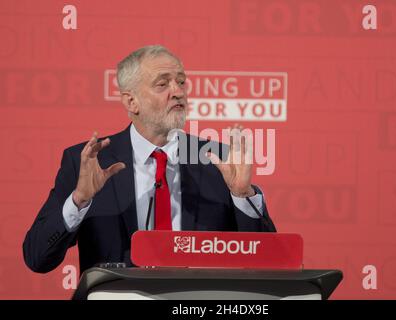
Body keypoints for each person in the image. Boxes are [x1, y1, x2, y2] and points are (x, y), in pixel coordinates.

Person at [23, 45, 276, 274]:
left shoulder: (218, 159)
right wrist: (78, 200)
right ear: (132, 102)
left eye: (181, 82)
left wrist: (242, 194)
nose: (178, 92)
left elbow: (271, 263)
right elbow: (37, 258)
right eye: (162, 84)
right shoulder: (89, 162)